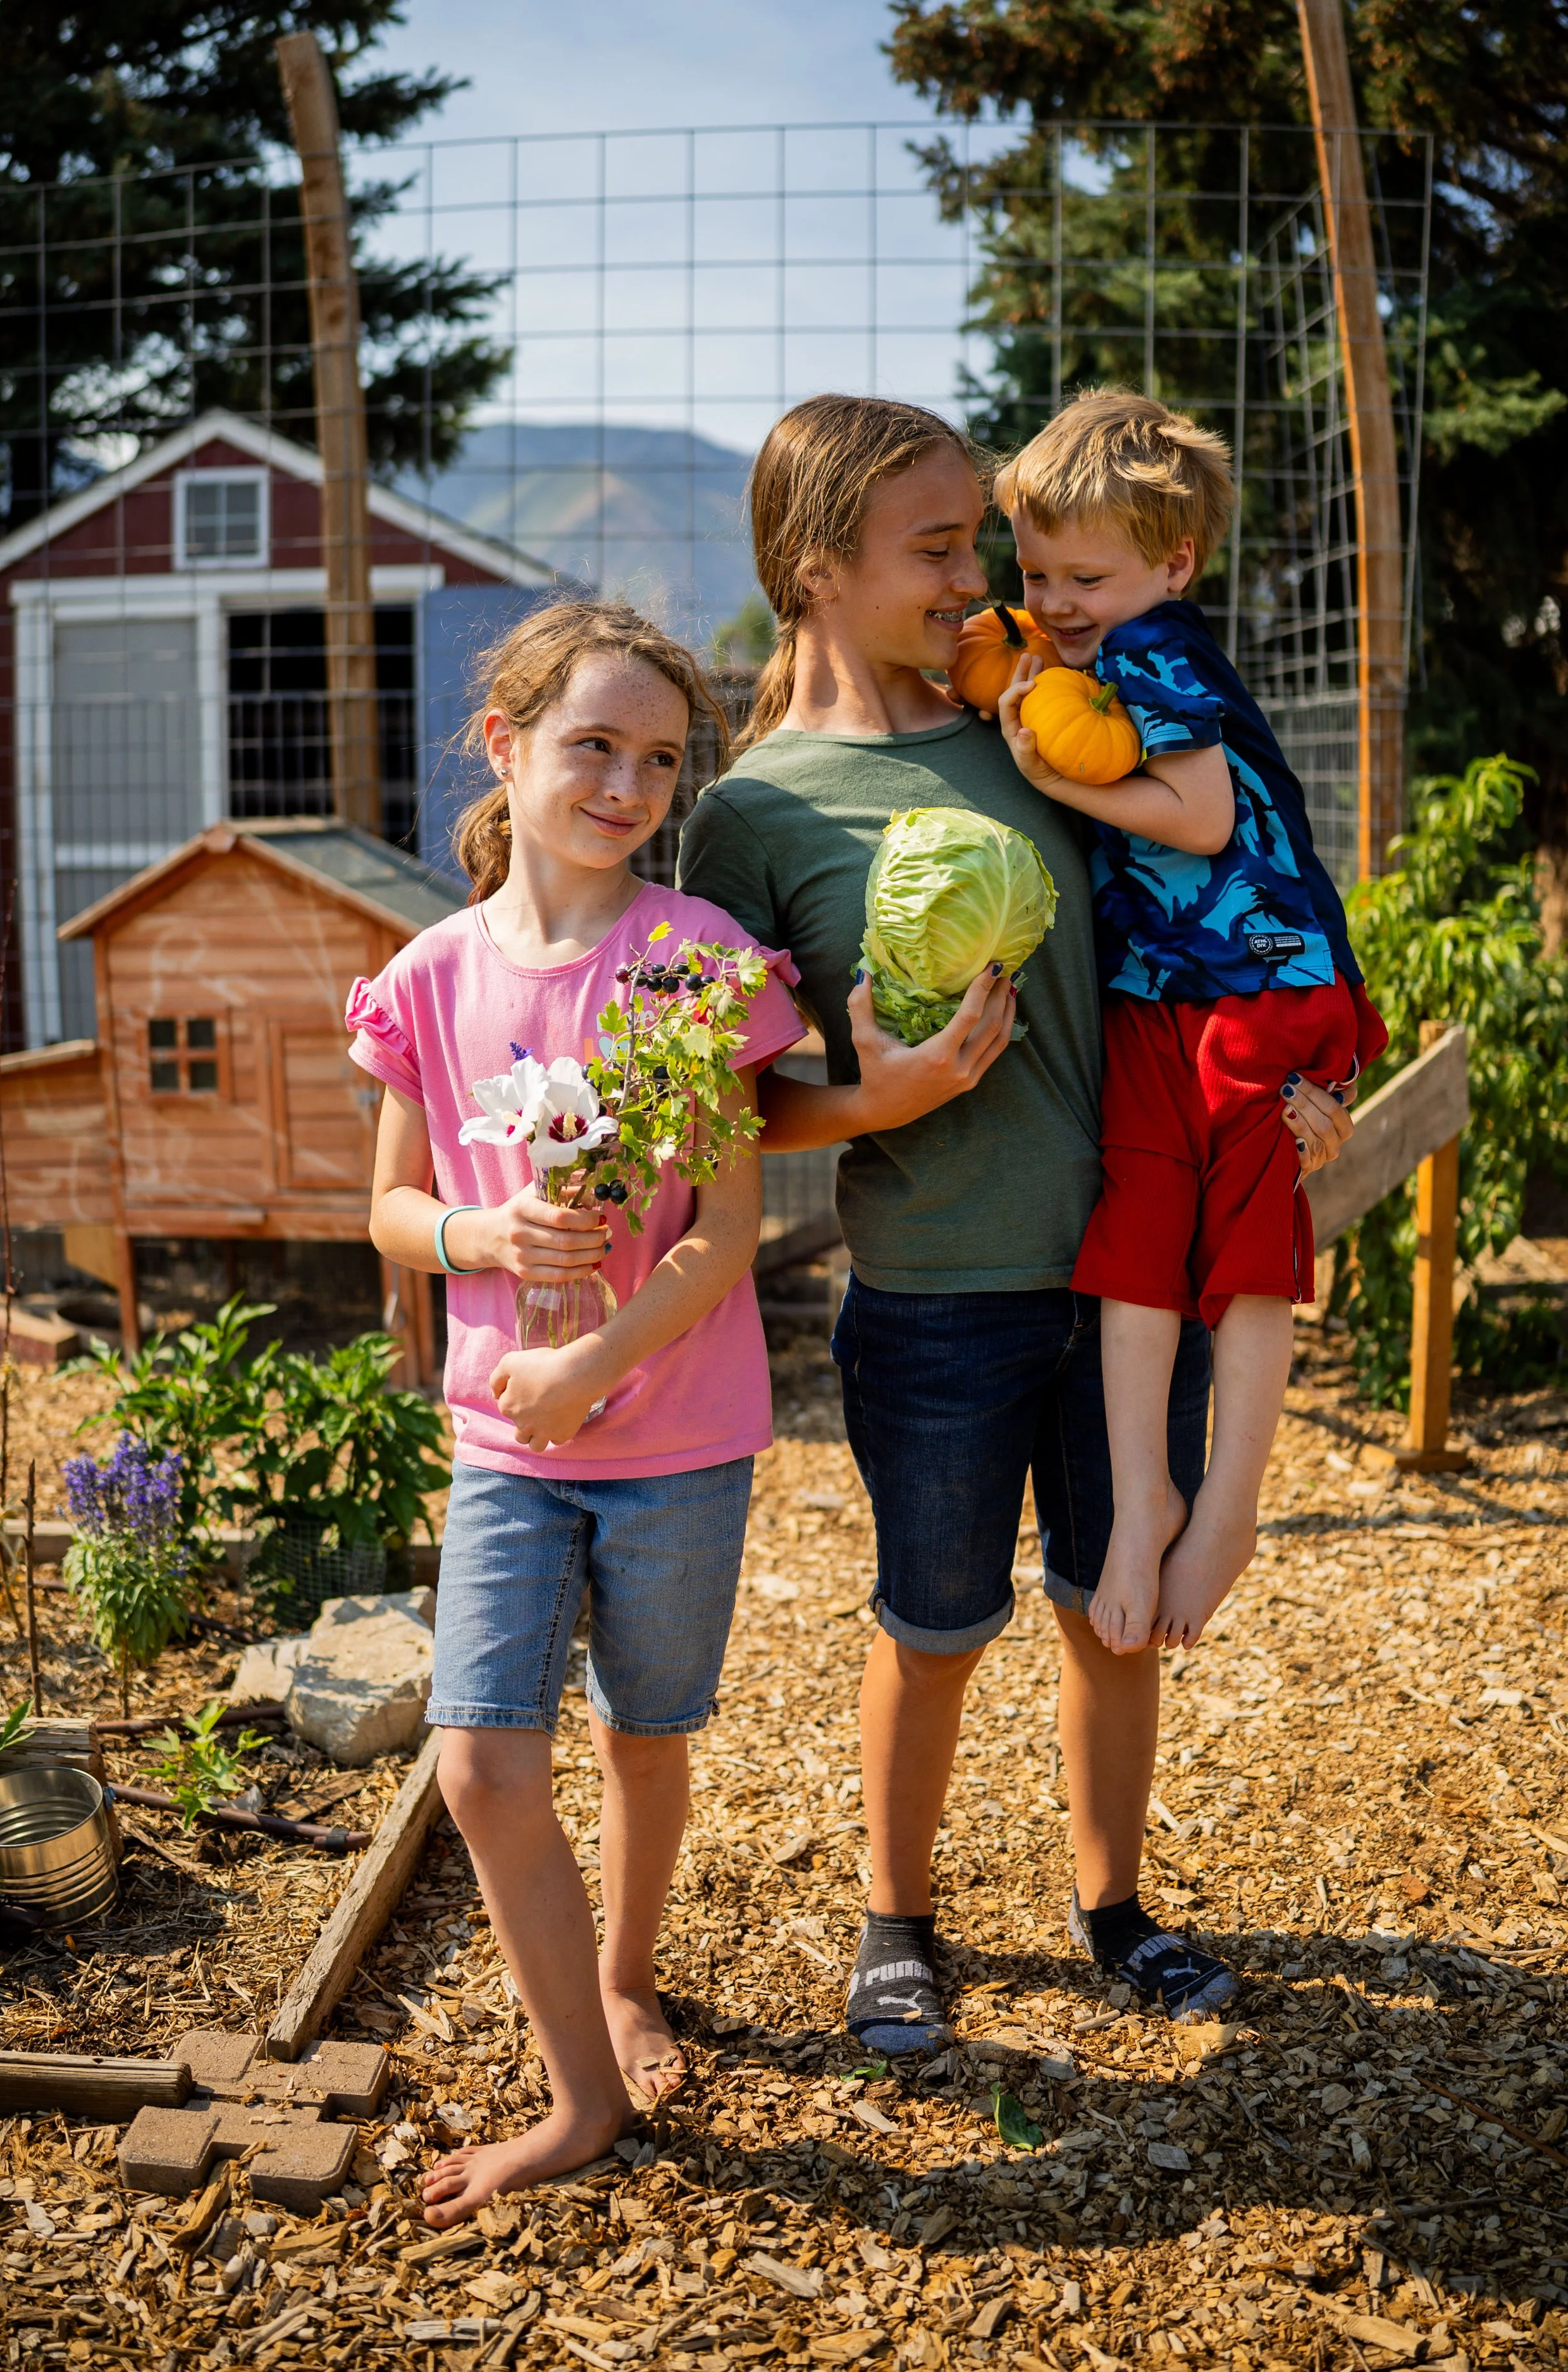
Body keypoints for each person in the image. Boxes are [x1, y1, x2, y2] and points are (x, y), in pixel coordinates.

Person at [678, 393, 1356, 2039]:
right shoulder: (751, 813)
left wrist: (1287, 1071)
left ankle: (1111, 1902)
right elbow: (725, 1112)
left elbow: (1197, 908)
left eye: (979, 538)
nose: (979, 578)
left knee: (1106, 1612)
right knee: (931, 1622)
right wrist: (877, 1102)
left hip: (1130, 1262)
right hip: (935, 1279)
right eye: (937, 546)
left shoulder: (1038, 724)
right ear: (815, 567)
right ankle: (894, 1918)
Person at [349, 598, 805, 2217]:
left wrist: (590, 1362)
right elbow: (394, 1211)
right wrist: (480, 1237)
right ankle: (583, 2096)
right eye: (591, 745)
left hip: (676, 1442)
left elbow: (733, 1234)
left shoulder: (691, 962)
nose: (625, 782)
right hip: (502, 1447)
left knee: (645, 1735)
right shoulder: (427, 975)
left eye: (659, 758)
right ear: (506, 747)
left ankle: (623, 1978)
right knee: (479, 1766)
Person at [975, 389, 1386, 1662]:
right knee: (1138, 1229)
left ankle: (1226, 1502)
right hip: (1162, 993)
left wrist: (1044, 772)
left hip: (1259, 980)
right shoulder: (1092, 651)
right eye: (1036, 571)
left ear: (1172, 563)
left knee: (1242, 1242)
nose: (1053, 599)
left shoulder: (1159, 649)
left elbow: (1201, 817)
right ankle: (1143, 1484)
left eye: (1084, 574)